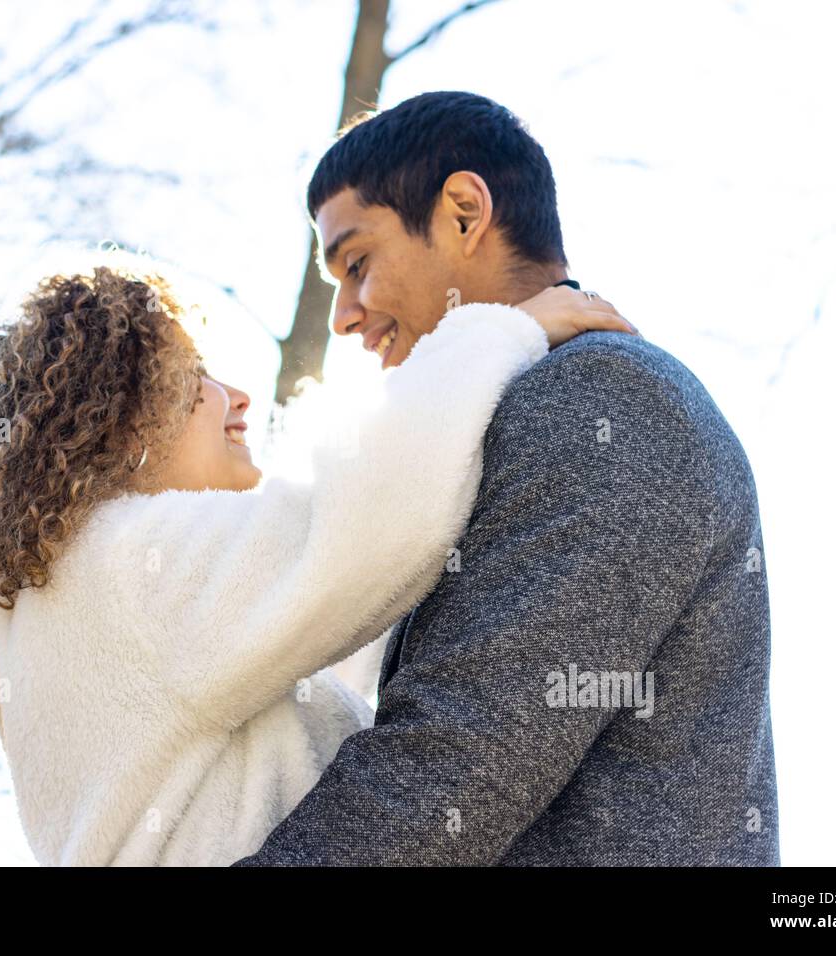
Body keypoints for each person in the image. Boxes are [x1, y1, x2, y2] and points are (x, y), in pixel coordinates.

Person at [0, 262, 630, 865]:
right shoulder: (116, 571)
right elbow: (367, 524)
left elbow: (334, 649)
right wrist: (507, 327)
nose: (238, 398)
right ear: (111, 427)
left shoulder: (47, 611)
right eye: (192, 383)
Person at [233, 91, 779, 866]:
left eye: (356, 264)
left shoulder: (604, 397)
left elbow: (453, 765)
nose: (344, 316)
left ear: (463, 212)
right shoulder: (499, 425)